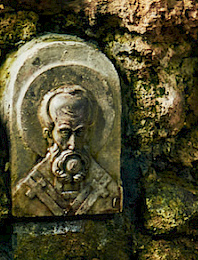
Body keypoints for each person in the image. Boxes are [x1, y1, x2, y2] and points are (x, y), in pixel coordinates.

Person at [12, 84, 121, 217]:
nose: (73, 145)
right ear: (48, 134)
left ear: (89, 133)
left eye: (80, 132)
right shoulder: (29, 190)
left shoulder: (106, 189)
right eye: (65, 132)